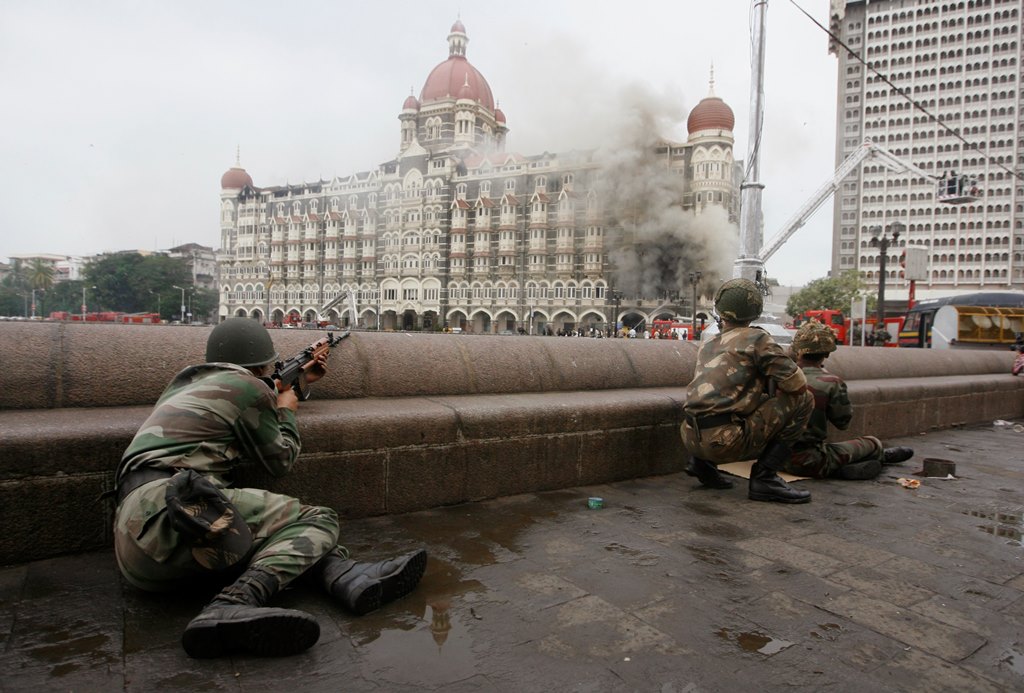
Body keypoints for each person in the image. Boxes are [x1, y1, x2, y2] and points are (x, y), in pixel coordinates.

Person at [112, 317, 427, 659]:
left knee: (277, 536)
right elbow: (280, 460)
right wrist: (288, 410)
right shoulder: (249, 387)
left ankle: (346, 577)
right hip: (175, 515)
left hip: (143, 544)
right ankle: (234, 603)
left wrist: (300, 382)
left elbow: (244, 408)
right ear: (261, 363)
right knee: (318, 520)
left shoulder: (187, 385)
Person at [680, 278, 815, 503]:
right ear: (755, 311)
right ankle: (766, 478)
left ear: (720, 310)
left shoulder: (709, 342)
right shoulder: (757, 338)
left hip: (689, 436)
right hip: (724, 443)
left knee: (720, 401)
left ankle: (701, 464)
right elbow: (797, 385)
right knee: (804, 400)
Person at [783, 320, 914, 480]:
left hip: (769, 458)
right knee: (871, 443)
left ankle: (841, 467)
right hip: (807, 460)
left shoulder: (780, 376)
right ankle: (877, 456)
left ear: (797, 350)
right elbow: (842, 422)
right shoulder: (831, 382)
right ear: (826, 353)